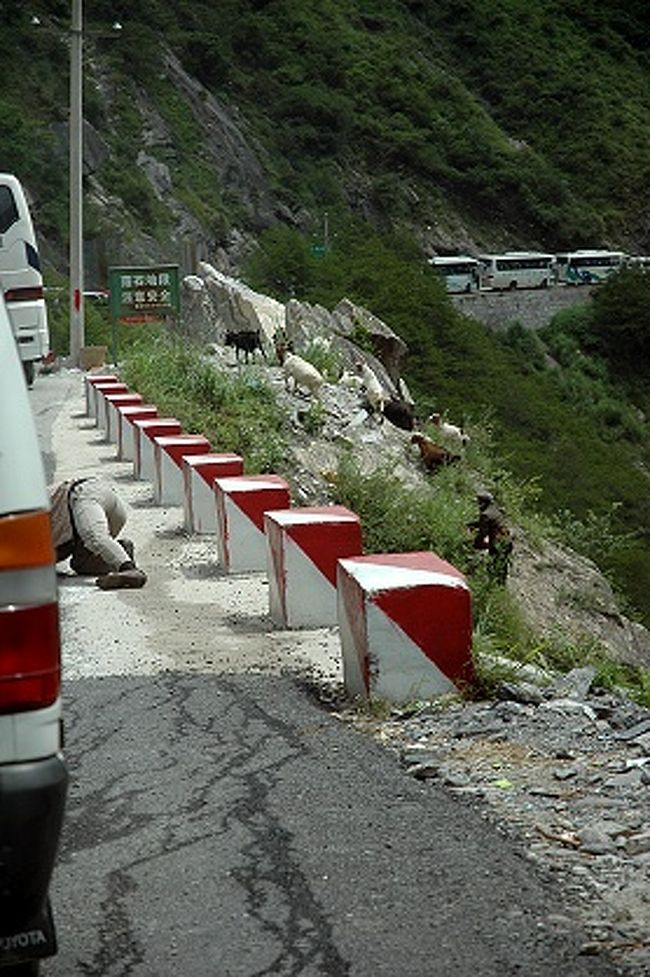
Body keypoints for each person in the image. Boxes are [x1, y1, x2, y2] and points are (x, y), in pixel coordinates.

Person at [49, 477, 147, 589]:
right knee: (82, 564)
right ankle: (121, 550)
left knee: (93, 536)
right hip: (107, 511)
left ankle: (129, 569)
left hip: (85, 494)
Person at [467, 489, 513, 584]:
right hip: (507, 542)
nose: (478, 505)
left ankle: (492, 588)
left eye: (479, 502)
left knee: (492, 568)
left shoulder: (485, 514)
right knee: (501, 568)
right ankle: (500, 587)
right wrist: (472, 524)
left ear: (483, 503)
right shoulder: (495, 510)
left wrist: (475, 544)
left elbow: (483, 533)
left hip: (497, 544)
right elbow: (489, 524)